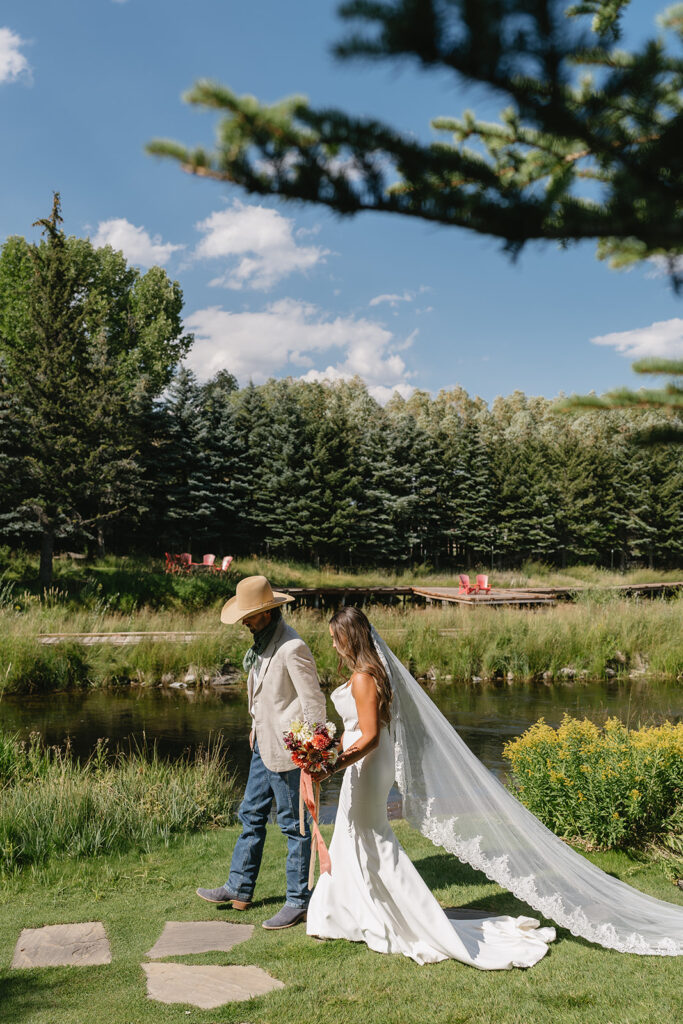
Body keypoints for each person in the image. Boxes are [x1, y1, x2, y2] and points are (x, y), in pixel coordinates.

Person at [305, 606, 683, 966]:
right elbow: (361, 731)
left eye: (336, 638)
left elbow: (369, 736)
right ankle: (346, 911)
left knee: (374, 836)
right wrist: (324, 755)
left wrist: (331, 766)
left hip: (367, 764)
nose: (333, 645)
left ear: (350, 638)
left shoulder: (363, 677)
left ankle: (415, 921)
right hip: (365, 761)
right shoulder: (372, 672)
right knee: (352, 832)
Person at [197, 575, 326, 929]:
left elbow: (313, 702)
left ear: (268, 613)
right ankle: (239, 887)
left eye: (250, 616)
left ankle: (299, 901)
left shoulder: (292, 647)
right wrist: (254, 725)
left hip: (289, 751)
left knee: (293, 826)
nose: (245, 623)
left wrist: (312, 752)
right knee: (250, 814)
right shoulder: (262, 644)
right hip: (261, 747)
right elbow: (262, 695)